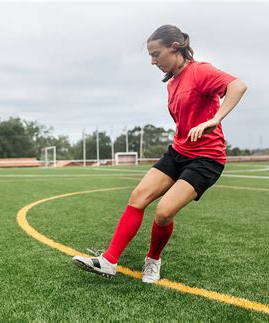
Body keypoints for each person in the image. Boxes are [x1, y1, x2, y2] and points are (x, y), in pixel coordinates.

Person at [72, 24, 247, 283]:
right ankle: (108, 261)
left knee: (164, 212)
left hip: (206, 158)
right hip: (178, 152)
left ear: (175, 48)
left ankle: (153, 260)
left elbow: (238, 86)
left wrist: (215, 119)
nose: (153, 61)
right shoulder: (172, 83)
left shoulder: (201, 71)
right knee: (138, 197)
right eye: (151, 56)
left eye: (156, 54)